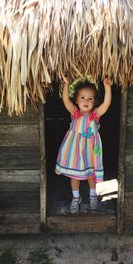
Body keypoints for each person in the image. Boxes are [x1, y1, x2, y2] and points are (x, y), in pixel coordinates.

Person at [55, 77, 112, 213]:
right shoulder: (74, 113)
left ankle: (93, 196)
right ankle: (76, 198)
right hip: (75, 150)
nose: (86, 101)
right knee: (74, 175)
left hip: (90, 150)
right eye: (82, 97)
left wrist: (108, 88)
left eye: (90, 98)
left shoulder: (95, 115)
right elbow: (65, 100)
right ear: (76, 100)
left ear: (95, 102)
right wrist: (66, 84)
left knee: (91, 174)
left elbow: (106, 104)